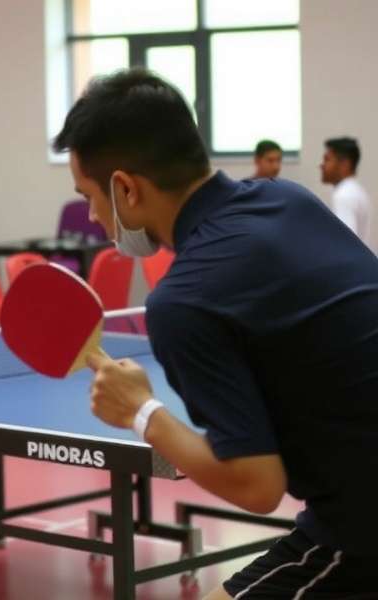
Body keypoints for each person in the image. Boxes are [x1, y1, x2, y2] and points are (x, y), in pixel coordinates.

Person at [53, 69, 378, 598]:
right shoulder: (289, 199)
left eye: (88, 196)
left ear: (126, 188)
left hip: (361, 530)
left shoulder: (183, 301)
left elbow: (257, 486)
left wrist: (140, 411)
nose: (92, 216)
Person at [321, 136, 372, 246]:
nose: (322, 165)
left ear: (344, 164)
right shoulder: (356, 190)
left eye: (327, 159)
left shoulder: (344, 195)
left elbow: (345, 244)